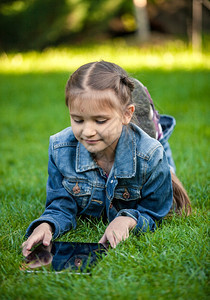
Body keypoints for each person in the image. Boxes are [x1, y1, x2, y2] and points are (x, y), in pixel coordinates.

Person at [22, 61, 191, 256]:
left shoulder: (150, 155)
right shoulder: (60, 149)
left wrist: (128, 220)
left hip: (141, 148)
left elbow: (155, 211)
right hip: (126, 138)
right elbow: (61, 203)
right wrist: (46, 224)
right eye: (78, 119)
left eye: (100, 120)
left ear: (126, 114)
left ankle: (151, 122)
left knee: (159, 156)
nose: (87, 131)